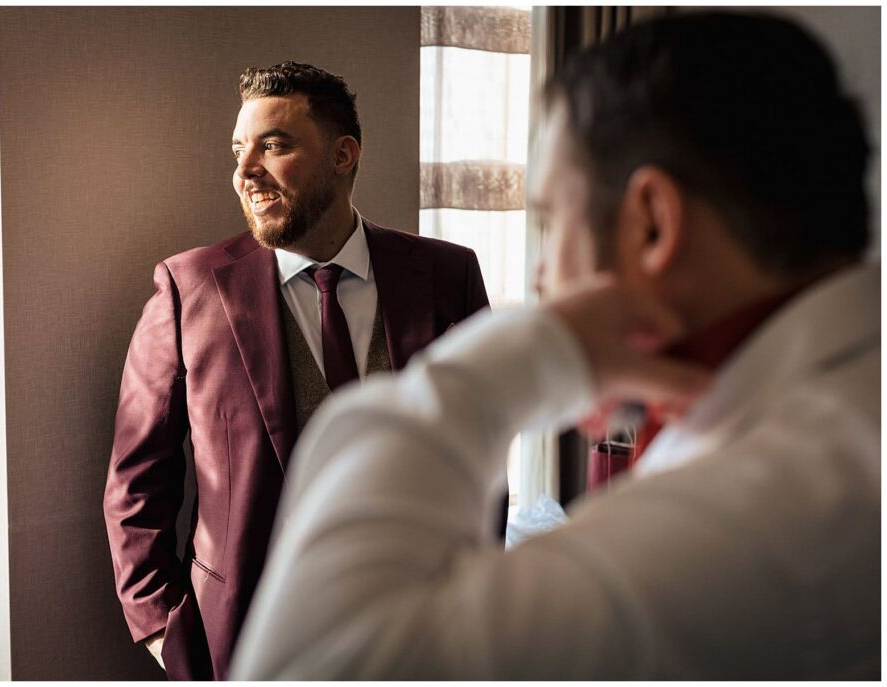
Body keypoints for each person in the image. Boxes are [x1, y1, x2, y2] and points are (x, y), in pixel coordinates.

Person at [230, 13, 879, 680]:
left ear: (652, 224)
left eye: (549, 219)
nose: (541, 275)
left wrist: (519, 359)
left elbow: (313, 664)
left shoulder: (761, 518)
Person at [102, 61, 491, 680]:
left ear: (343, 155)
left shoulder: (447, 277)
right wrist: (160, 628)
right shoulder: (190, 289)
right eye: (239, 150)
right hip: (244, 642)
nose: (244, 171)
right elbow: (137, 478)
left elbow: (481, 454)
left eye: (274, 146)